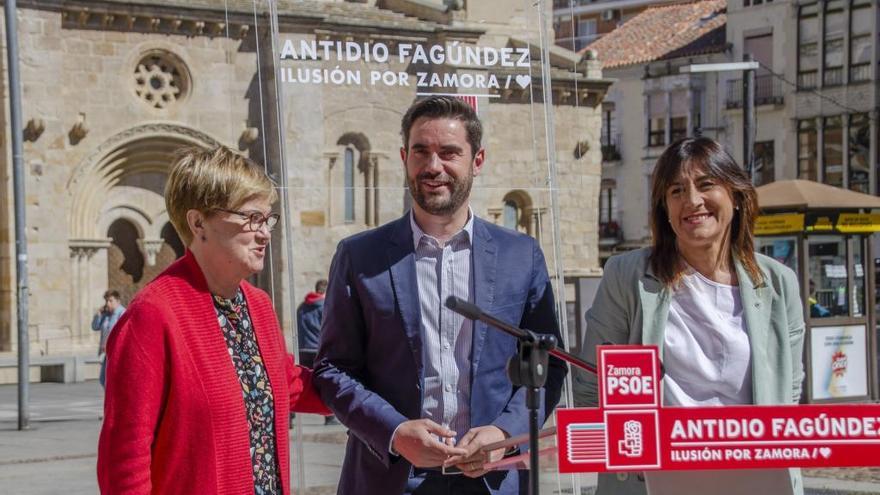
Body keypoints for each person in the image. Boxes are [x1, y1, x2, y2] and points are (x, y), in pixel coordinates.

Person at [313, 96, 567, 495]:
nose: (434, 167)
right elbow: (332, 369)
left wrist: (504, 432)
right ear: (404, 157)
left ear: (477, 160)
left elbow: (548, 366)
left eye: (449, 153)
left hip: (493, 480)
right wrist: (395, 431)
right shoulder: (360, 256)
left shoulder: (521, 256)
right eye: (421, 152)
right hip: (391, 477)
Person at [573, 137, 805, 495]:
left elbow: (787, 392)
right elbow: (592, 387)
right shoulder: (626, 276)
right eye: (676, 190)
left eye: (706, 184)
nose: (692, 200)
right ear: (664, 208)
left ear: (737, 196)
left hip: (753, 478)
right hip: (654, 481)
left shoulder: (778, 283)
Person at [97, 146, 329, 494]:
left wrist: (377, 388)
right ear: (198, 222)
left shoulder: (258, 305)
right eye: (251, 218)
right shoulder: (153, 314)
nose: (265, 233)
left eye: (267, 219)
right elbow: (125, 462)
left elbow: (288, 383)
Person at [296, 279, 338, 425]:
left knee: (300, 382)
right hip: (317, 348)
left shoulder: (302, 307)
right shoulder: (324, 306)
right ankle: (329, 416)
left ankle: (290, 417)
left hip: (303, 348)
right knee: (323, 382)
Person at [91, 289, 125, 388]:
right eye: (106, 301)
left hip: (117, 352)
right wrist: (98, 315)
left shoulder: (122, 314)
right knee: (103, 380)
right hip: (107, 352)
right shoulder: (106, 315)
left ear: (118, 301)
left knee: (112, 380)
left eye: (110, 301)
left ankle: (115, 402)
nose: (107, 304)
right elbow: (95, 327)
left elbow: (123, 333)